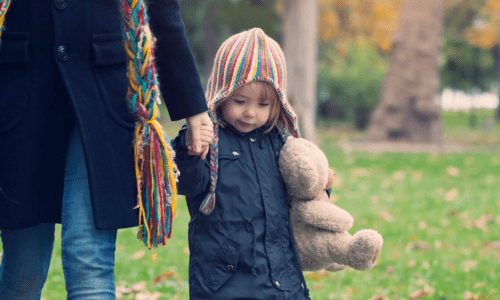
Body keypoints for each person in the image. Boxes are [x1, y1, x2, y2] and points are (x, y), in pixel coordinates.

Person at [0, 0, 212, 299]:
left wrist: (192, 106)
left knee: (88, 260)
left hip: (101, 98)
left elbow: (160, 10)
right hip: (20, 97)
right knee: (25, 269)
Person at [171, 27, 311, 299]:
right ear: (222, 94)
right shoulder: (209, 138)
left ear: (278, 104)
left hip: (281, 277)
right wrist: (190, 146)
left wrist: (318, 187)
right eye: (240, 101)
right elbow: (188, 183)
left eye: (263, 104)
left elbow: (304, 189)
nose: (250, 113)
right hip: (224, 279)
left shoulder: (281, 143)